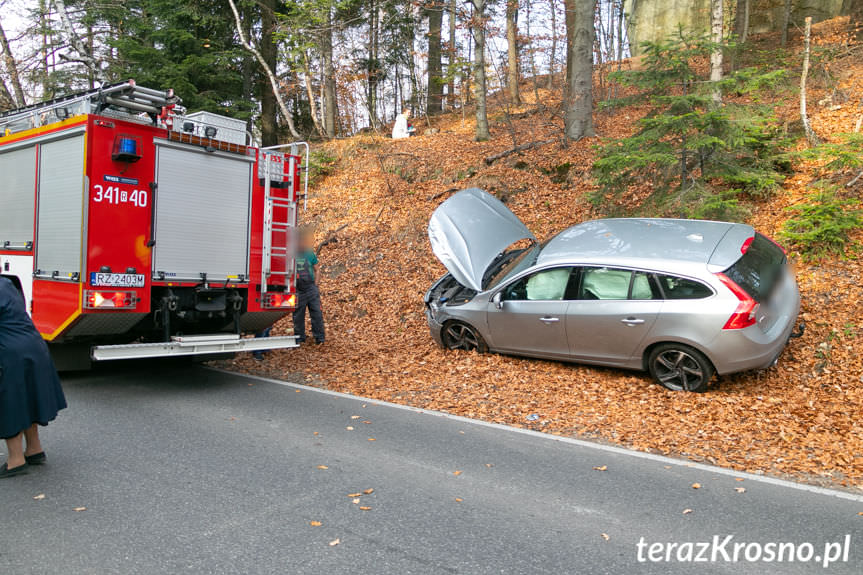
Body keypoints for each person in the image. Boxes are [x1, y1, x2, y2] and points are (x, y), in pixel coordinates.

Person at [0, 277, 67, 478]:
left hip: (10, 351)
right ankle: (34, 450)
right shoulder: (6, 283)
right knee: (28, 395)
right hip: (34, 345)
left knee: (10, 402)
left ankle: (15, 461)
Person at [293, 229, 325, 345]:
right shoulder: (291, 254)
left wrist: (316, 284)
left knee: (317, 314)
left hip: (311, 288)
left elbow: (317, 269)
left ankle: (319, 337)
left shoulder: (309, 253)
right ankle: (299, 338)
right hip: (297, 290)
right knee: (298, 316)